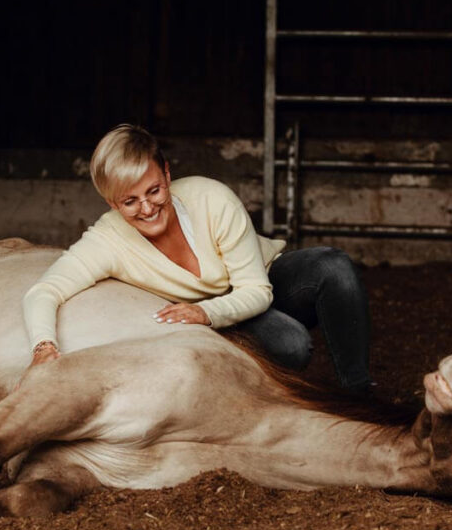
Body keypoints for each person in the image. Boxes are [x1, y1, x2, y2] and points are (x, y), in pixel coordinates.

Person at [23, 124, 372, 394]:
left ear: (167, 174)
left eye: (154, 190)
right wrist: (43, 348)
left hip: (256, 282)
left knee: (333, 265)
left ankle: (359, 396)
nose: (147, 208)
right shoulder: (106, 240)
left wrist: (207, 311)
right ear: (112, 203)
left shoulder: (211, 197)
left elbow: (257, 290)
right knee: (292, 344)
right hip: (210, 320)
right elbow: (44, 291)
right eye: (129, 202)